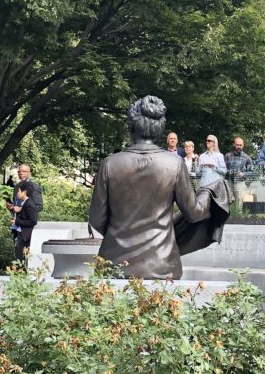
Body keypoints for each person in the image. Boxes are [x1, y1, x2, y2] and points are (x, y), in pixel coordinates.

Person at [89, 96, 215, 280]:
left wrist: (120, 236)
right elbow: (194, 213)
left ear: (131, 126)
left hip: (114, 264)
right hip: (161, 266)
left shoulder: (110, 164)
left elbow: (96, 219)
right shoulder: (174, 164)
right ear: (160, 129)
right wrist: (208, 192)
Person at [10, 180, 39, 266]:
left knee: (21, 258)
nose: (17, 193)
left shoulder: (29, 204)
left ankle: (21, 275)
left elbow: (33, 221)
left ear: (24, 192)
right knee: (19, 256)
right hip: (21, 233)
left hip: (25, 235)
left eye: (18, 191)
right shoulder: (24, 203)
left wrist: (17, 222)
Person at [224, 137, 254, 210]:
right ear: (234, 144)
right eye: (237, 145)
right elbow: (222, 169)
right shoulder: (227, 155)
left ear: (243, 145)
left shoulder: (247, 157)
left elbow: (252, 172)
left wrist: (243, 174)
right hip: (228, 182)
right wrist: (229, 172)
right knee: (227, 203)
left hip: (240, 183)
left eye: (240, 145)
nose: (239, 147)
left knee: (239, 204)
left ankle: (237, 218)